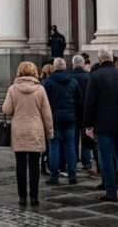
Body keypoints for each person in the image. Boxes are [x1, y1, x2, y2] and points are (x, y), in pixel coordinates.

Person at [84, 46, 118, 202]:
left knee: (106, 157)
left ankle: (111, 191)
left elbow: (90, 102)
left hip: (102, 123)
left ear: (99, 59)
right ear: (112, 58)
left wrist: (88, 124)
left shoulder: (95, 76)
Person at [2, 61, 53, 206]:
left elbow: (6, 109)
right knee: (34, 165)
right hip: (36, 130)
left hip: (19, 130)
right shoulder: (40, 89)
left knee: (20, 165)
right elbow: (47, 114)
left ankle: (22, 197)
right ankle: (35, 196)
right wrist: (49, 132)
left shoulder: (13, 89)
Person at [42, 57, 81, 186]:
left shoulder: (47, 82)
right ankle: (72, 175)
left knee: (54, 147)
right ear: (65, 66)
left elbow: (44, 101)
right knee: (70, 147)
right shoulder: (73, 81)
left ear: (54, 67)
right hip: (70, 118)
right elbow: (79, 101)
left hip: (54, 119)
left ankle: (54, 176)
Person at [70, 54, 93, 171]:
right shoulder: (88, 77)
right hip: (85, 111)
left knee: (72, 138)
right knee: (86, 137)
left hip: (72, 111)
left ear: (73, 64)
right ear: (83, 64)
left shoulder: (69, 77)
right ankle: (86, 161)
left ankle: (73, 160)